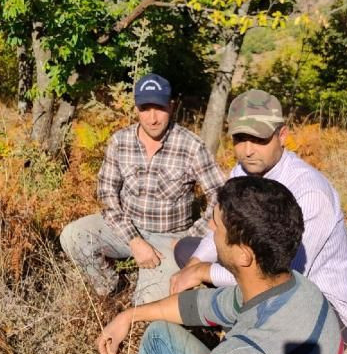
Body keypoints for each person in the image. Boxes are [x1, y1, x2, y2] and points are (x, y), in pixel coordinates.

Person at [71, 177, 347, 354]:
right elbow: (199, 306)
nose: (211, 227)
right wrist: (129, 316)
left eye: (218, 224)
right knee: (160, 335)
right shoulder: (297, 287)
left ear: (244, 255)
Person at [169, 89, 347, 344]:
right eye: (240, 138)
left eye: (259, 139)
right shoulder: (242, 171)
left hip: (321, 306)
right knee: (187, 250)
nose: (248, 150)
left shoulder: (310, 194)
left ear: (282, 135)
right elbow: (219, 227)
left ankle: (236, 337)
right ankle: (222, 318)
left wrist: (204, 273)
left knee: (216, 279)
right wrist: (196, 262)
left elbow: (279, 278)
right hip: (259, 269)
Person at [60, 74, 224, 305]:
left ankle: (142, 300)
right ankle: (111, 290)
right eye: (145, 108)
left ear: (172, 106)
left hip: (170, 238)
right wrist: (134, 240)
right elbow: (107, 194)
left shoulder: (191, 146)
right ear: (136, 108)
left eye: (159, 108)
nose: (153, 118)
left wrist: (189, 239)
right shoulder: (121, 141)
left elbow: (221, 197)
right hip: (125, 228)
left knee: (147, 307)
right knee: (73, 236)